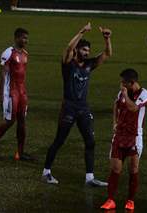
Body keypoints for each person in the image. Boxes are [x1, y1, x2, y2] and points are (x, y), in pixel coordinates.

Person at [41, 22, 112, 186]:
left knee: (90, 142)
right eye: (83, 50)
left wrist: (107, 39)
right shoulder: (68, 65)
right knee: (59, 140)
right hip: (69, 107)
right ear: (77, 50)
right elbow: (68, 48)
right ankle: (46, 172)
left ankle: (89, 178)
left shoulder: (89, 65)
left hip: (83, 108)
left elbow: (107, 54)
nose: (86, 53)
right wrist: (81, 31)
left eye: (88, 51)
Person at [100, 69, 147, 210]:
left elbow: (133, 108)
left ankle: (130, 200)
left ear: (132, 83)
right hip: (120, 135)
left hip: (135, 137)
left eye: (124, 82)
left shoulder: (144, 94)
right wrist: (114, 122)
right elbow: (116, 105)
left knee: (133, 169)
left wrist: (125, 94)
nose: (121, 84)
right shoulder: (122, 93)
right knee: (115, 169)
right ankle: (110, 200)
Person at [0, 28, 33, 161]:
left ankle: (20, 153)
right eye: (23, 38)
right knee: (9, 120)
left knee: (22, 121)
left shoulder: (25, 54)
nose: (26, 41)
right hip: (11, 92)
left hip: (22, 91)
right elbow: (2, 74)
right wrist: (0, 94)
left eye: (27, 38)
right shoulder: (8, 53)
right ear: (16, 38)